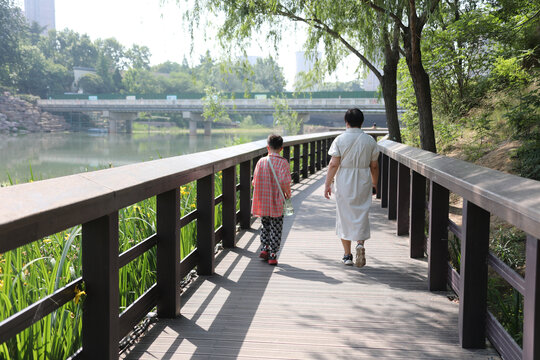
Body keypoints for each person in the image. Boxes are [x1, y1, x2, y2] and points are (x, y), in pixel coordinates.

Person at [324, 108, 379, 267]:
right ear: (362, 123)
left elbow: (334, 164)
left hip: (344, 180)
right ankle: (360, 243)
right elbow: (374, 166)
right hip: (363, 179)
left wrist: (328, 183)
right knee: (361, 213)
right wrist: (374, 183)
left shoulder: (340, 139)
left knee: (344, 216)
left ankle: (347, 255)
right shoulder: (369, 141)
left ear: (346, 122)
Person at [252, 134, 292, 266]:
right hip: (277, 200)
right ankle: (273, 255)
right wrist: (288, 193)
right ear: (281, 148)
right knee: (276, 227)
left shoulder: (261, 162)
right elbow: (285, 182)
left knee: (265, 225)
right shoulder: (283, 162)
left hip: (263, 200)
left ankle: (265, 248)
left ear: (267, 147)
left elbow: (254, 182)